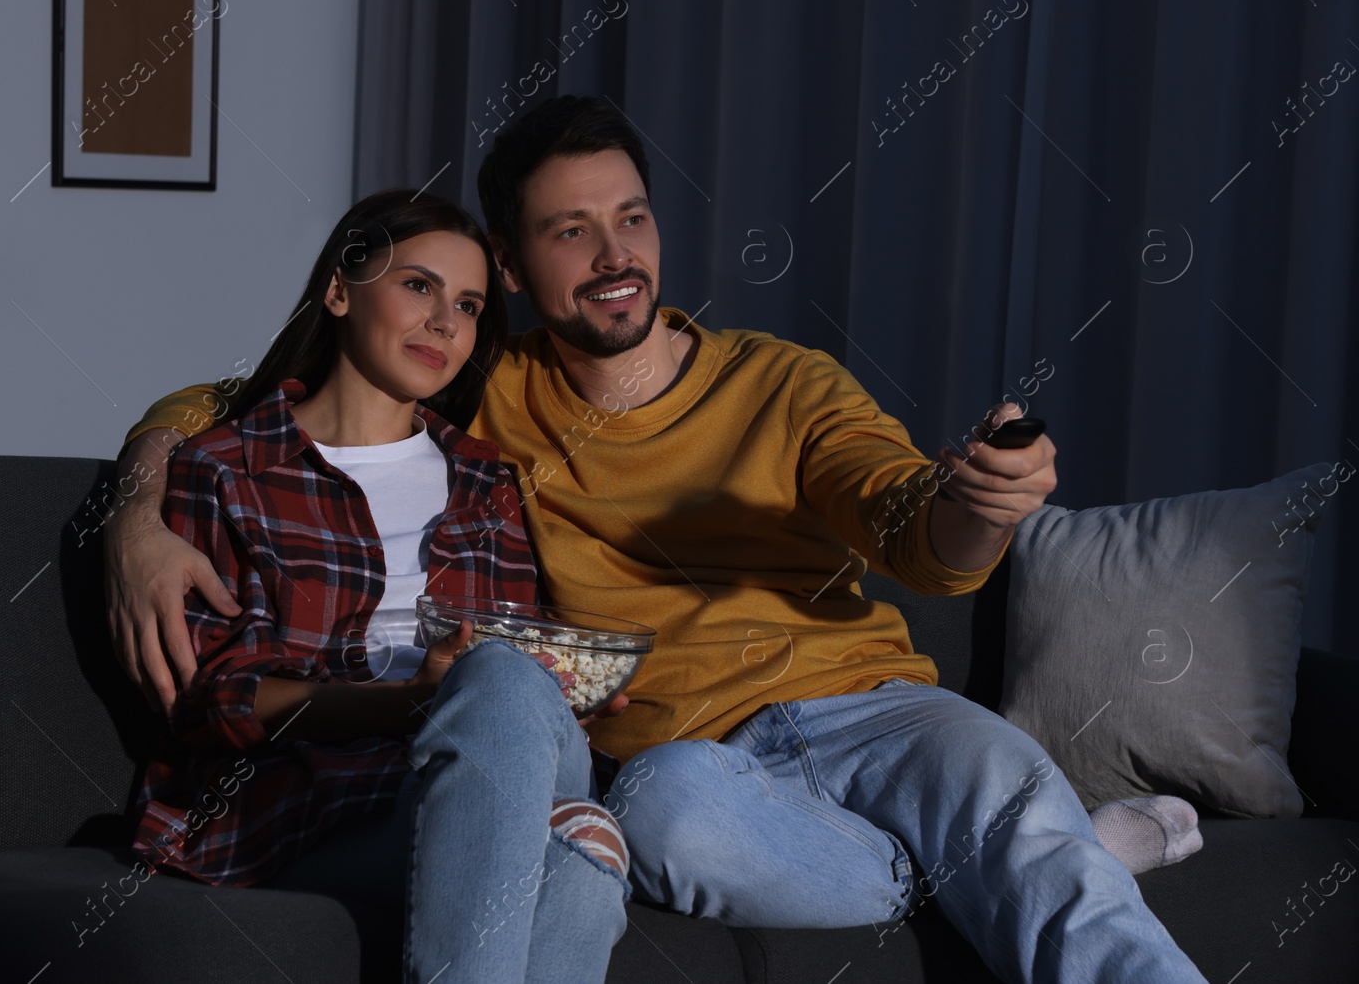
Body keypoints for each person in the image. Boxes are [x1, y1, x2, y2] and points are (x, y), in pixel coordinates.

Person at [108, 97, 1208, 982]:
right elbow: (241, 397)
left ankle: (1031, 852)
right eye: (568, 230)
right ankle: (1023, 861)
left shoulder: (779, 378)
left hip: (872, 706)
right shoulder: (482, 392)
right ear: (513, 263)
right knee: (649, 819)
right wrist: (136, 511)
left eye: (630, 216)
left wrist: (983, 496)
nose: (612, 253)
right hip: (692, 765)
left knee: (1003, 793)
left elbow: (908, 521)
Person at [128, 188, 632, 984]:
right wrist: (415, 703)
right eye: (419, 285)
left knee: (512, 689)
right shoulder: (229, 468)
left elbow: (509, 666)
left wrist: (558, 691)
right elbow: (212, 698)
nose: (445, 321)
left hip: (479, 765)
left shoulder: (488, 480)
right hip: (316, 807)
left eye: (468, 305)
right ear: (338, 289)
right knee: (580, 845)